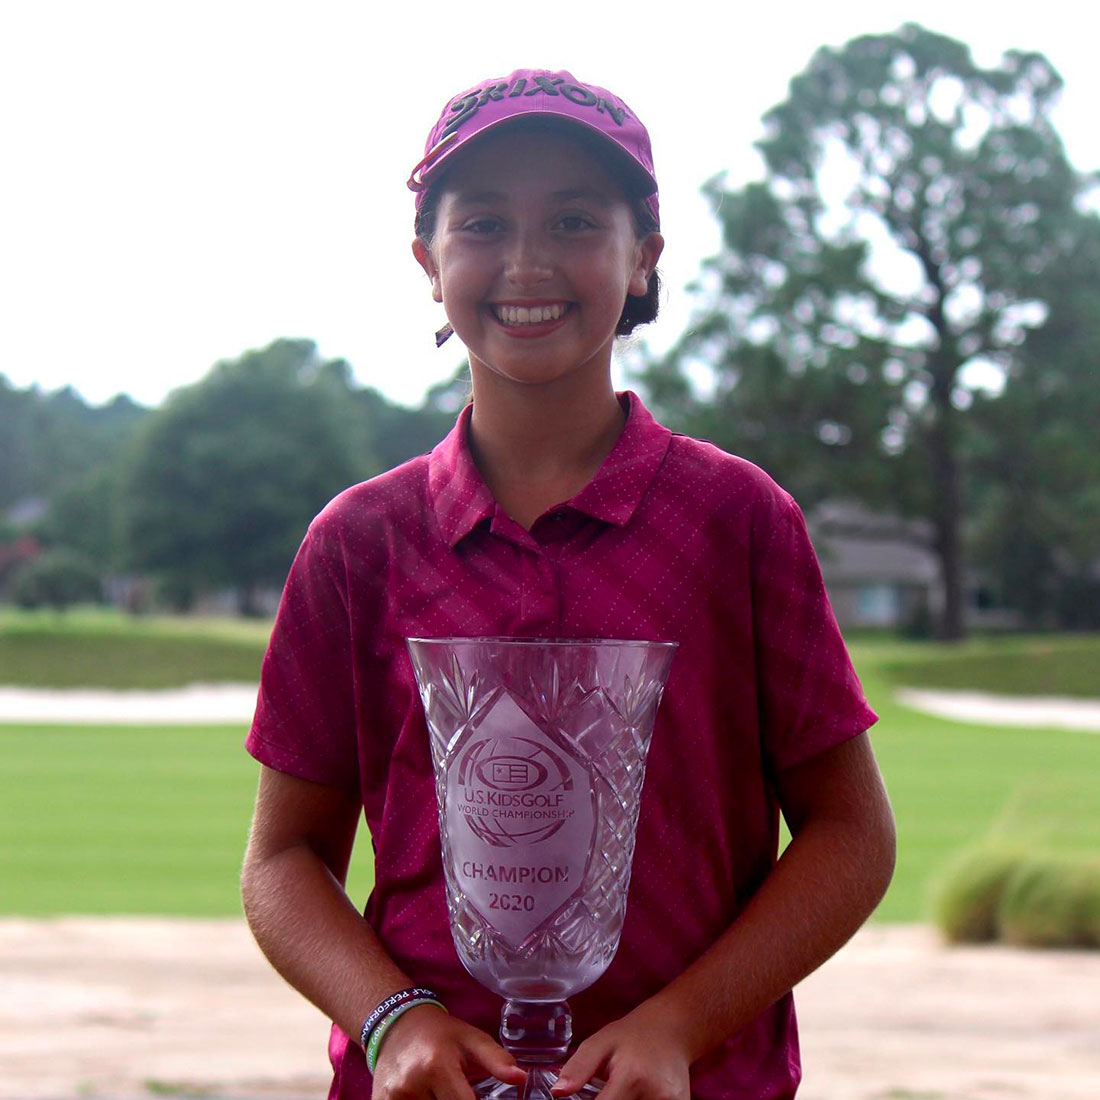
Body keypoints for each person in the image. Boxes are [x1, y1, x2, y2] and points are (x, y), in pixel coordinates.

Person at [241, 68, 896, 1100]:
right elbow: (282, 859)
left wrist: (679, 1025)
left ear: (643, 256)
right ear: (427, 261)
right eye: (483, 224)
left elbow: (851, 832)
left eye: (576, 220)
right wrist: (392, 1019)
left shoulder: (736, 521)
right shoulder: (358, 543)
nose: (527, 262)